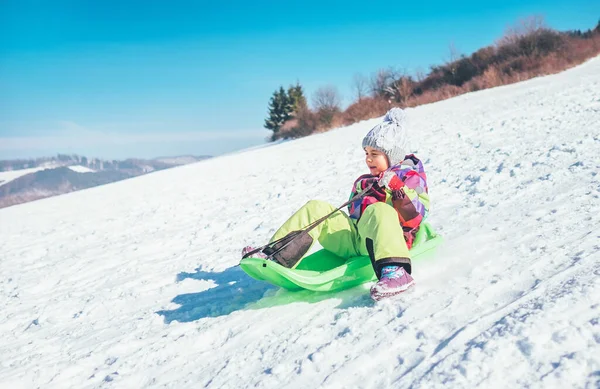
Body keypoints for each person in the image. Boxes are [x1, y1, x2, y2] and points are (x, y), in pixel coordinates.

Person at [242, 107, 429, 300]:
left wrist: (397, 189)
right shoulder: (365, 181)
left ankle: (396, 272)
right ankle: (276, 255)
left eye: (375, 153)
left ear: (393, 155)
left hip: (390, 242)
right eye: (366, 153)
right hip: (359, 239)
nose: (368, 159)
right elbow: (354, 214)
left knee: (380, 210)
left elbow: (417, 216)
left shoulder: (409, 177)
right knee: (317, 207)